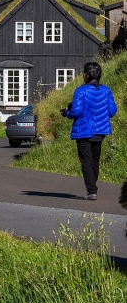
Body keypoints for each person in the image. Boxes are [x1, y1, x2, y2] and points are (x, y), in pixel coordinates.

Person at [61, 62, 117, 200]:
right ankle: (93, 189)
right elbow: (112, 111)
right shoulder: (106, 90)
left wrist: (66, 113)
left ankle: (92, 191)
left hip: (84, 130)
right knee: (94, 161)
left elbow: (76, 111)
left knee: (86, 161)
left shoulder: (81, 91)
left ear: (86, 75)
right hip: (101, 130)